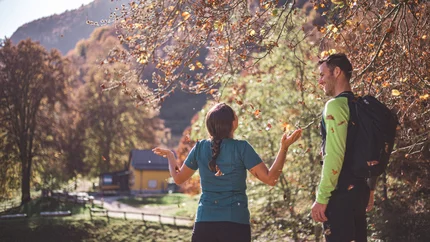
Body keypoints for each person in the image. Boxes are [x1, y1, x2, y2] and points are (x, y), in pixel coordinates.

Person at [153, 103, 302, 242]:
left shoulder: (199, 147)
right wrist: (284, 148)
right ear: (233, 123)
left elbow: (178, 179)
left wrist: (171, 157)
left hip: (204, 223)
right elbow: (271, 179)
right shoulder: (242, 148)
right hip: (235, 223)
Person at [311, 53, 377, 242]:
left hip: (340, 194)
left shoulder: (334, 106)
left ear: (337, 72)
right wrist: (370, 189)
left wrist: (322, 198)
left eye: (323, 75)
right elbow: (373, 150)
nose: (320, 81)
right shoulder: (361, 106)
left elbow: (334, 155)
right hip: (360, 191)